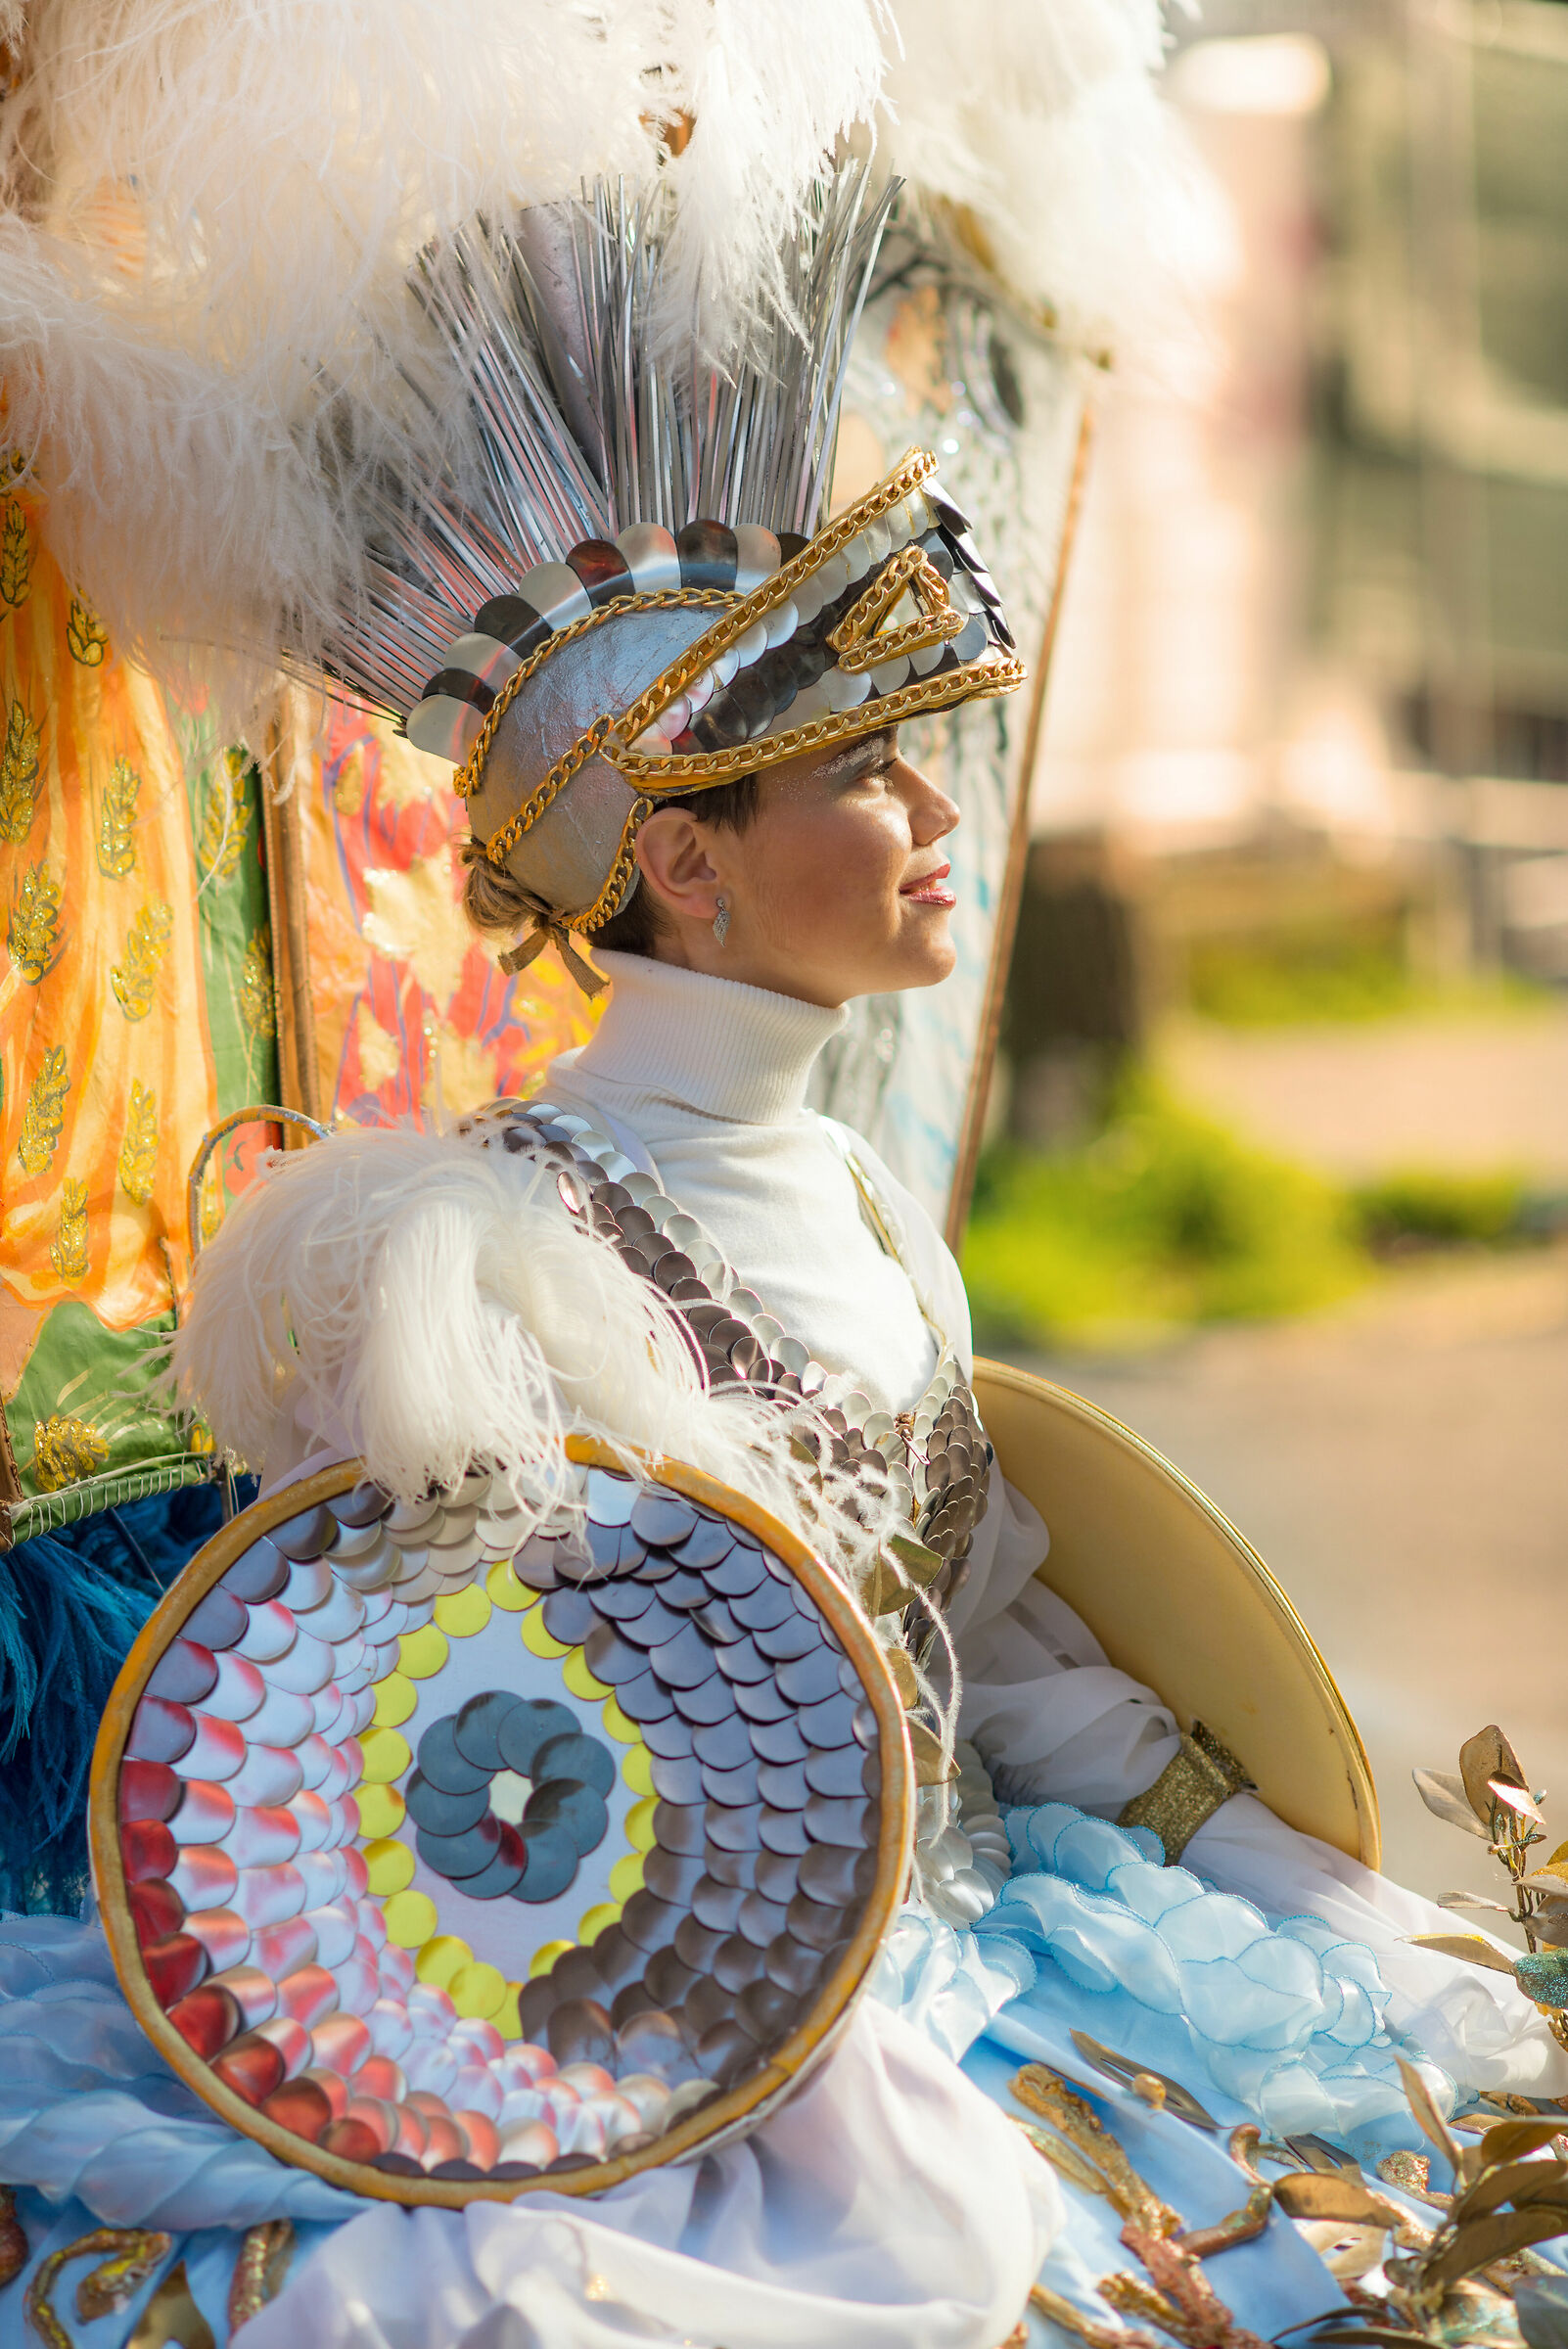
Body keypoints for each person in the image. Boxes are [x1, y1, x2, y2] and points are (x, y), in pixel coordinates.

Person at [3, 159, 1564, 2349]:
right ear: (685, 866)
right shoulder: (469, 1265)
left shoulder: (860, 1208)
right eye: (874, 778)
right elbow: (422, 1784)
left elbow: (998, 1654)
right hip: (638, 2051)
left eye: (930, 772)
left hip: (1002, 1947)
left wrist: (1291, 1881)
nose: (939, 824)